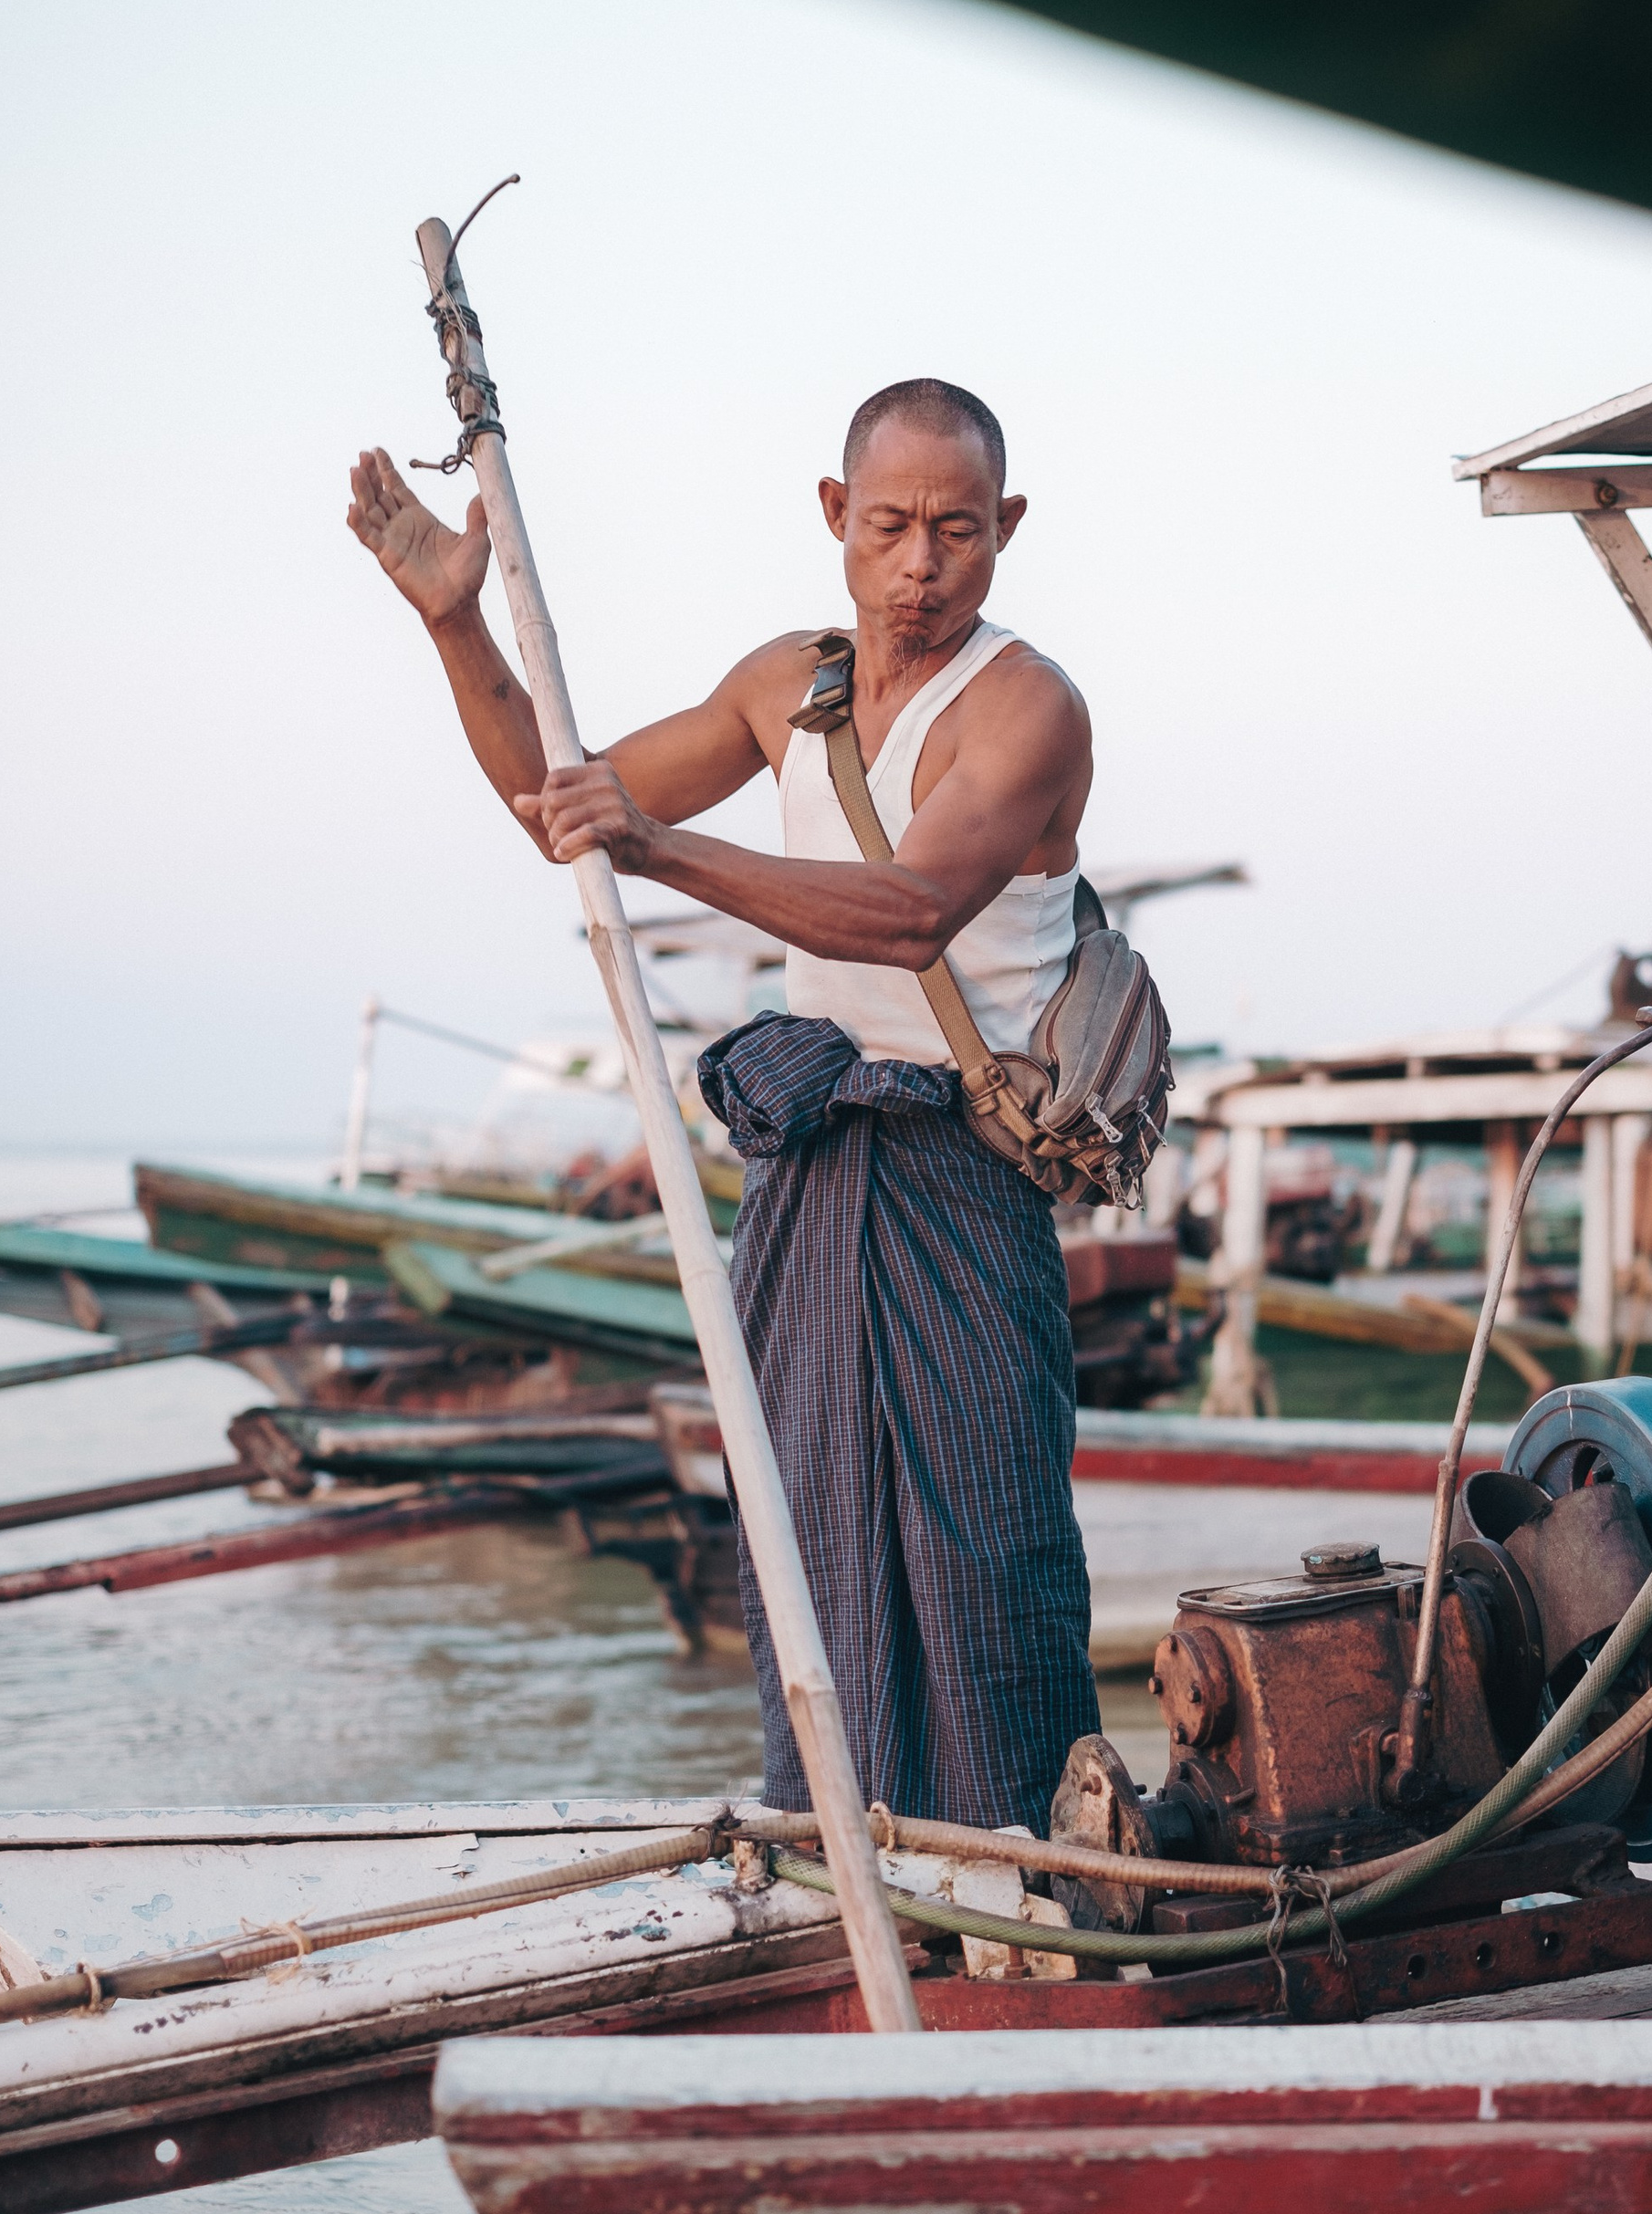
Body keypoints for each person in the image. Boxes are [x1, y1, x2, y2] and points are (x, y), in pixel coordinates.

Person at [345, 376, 1102, 1835]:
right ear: (835, 514)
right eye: (889, 525)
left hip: (963, 1177)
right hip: (814, 1179)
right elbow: (562, 808)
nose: (920, 565)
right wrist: (457, 622)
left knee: (991, 1559)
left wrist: (659, 851)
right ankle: (846, 1857)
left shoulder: (1027, 707)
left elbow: (908, 912)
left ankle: (1020, 1879)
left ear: (1006, 527)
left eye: (957, 530)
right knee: (805, 1536)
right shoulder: (789, 684)